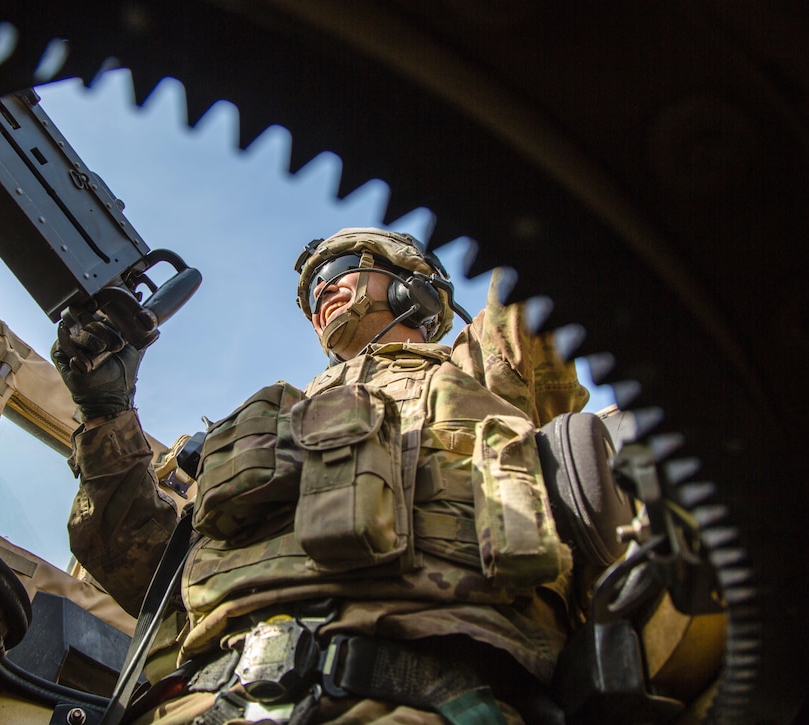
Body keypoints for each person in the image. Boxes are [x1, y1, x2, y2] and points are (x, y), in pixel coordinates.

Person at [54, 228, 592, 724]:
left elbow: (559, 243)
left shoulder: (483, 368)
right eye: (312, 295)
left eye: (337, 271)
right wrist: (105, 412)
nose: (322, 295)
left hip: (429, 690)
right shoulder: (256, 435)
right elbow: (140, 568)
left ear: (415, 287)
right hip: (211, 699)